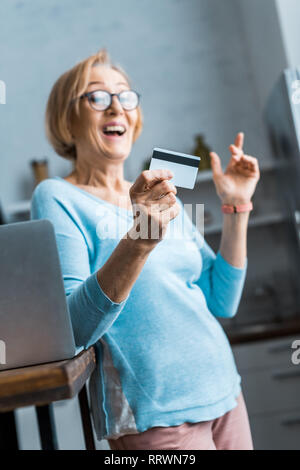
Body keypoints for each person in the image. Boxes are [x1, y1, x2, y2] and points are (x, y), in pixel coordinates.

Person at [30, 48, 260, 450]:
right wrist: (138, 241)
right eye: (97, 96)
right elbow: (73, 329)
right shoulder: (56, 197)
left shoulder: (158, 192)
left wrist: (236, 207)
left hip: (225, 391)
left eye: (126, 96)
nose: (116, 106)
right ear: (68, 117)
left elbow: (221, 299)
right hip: (155, 418)